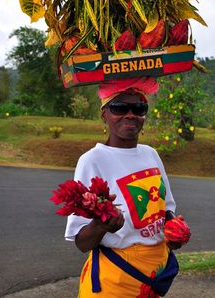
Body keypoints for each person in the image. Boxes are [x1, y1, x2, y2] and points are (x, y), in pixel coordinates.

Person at [65, 77, 184, 298]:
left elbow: (164, 211)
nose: (130, 114)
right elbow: (82, 242)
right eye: (119, 107)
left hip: (155, 275)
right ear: (104, 114)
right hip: (115, 280)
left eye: (139, 108)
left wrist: (174, 229)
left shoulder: (151, 154)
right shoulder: (92, 160)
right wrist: (103, 226)